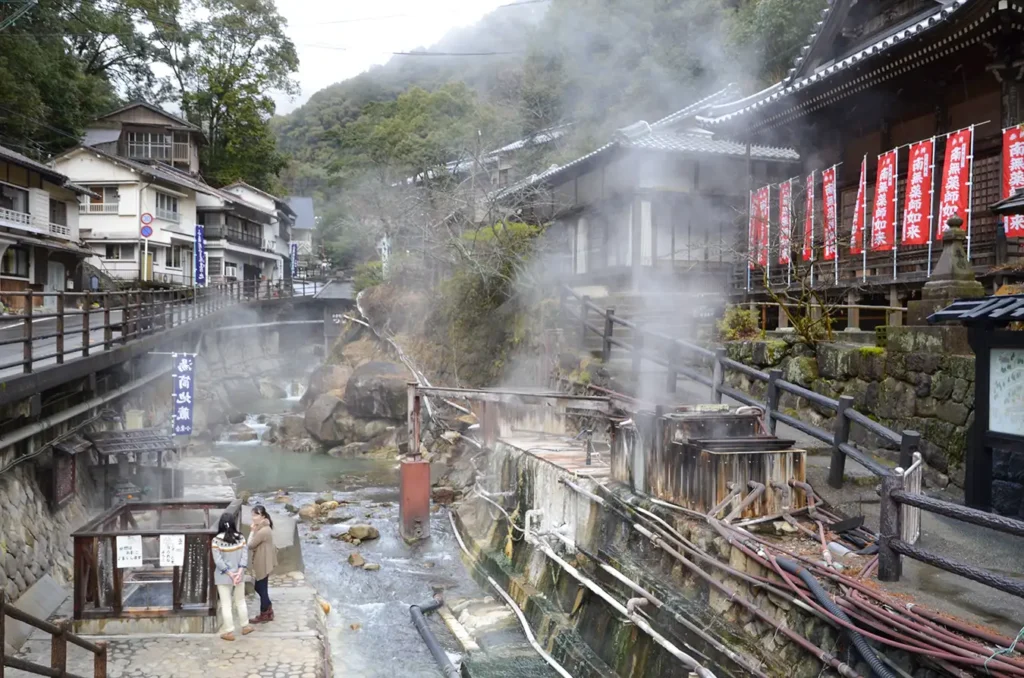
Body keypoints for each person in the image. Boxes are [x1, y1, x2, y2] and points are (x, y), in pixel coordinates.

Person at [211, 511, 252, 641]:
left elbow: (218, 561)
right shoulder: (241, 538)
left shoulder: (216, 540)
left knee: (226, 604)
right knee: (240, 601)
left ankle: (229, 631)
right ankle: (245, 626)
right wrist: (239, 572)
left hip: (223, 577)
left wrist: (229, 573)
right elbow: (245, 556)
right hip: (239, 576)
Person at [247, 505, 277, 623]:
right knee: (260, 586)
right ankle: (268, 610)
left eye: (256, 515)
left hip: (263, 561)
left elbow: (250, 545)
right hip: (265, 560)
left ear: (263, 516)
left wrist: (252, 532)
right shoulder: (265, 527)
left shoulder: (262, 530)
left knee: (260, 586)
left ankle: (265, 612)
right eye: (253, 515)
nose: (253, 518)